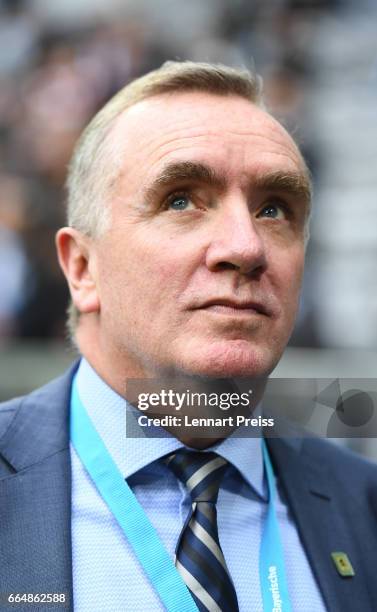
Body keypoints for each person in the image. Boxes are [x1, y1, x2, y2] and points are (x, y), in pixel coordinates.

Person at [0, 61, 376, 612]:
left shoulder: (363, 505)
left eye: (274, 209)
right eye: (181, 200)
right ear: (82, 267)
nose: (246, 247)